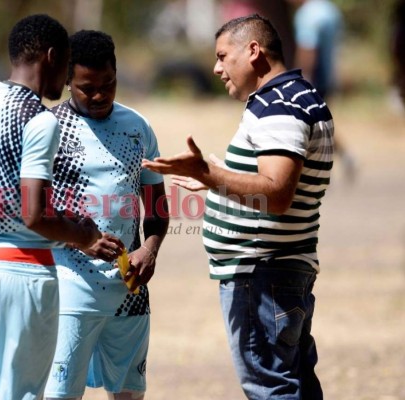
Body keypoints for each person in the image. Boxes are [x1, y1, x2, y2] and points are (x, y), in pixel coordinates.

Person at [143, 14, 333, 399]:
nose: (215, 68)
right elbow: (273, 183)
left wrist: (211, 174)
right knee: (293, 383)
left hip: (263, 274)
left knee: (271, 388)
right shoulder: (296, 96)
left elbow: (277, 193)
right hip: (279, 271)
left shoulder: (278, 106)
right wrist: (216, 178)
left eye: (222, 56)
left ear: (253, 51)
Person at [0, 14, 101, 400]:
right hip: (23, 270)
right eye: (67, 65)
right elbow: (35, 215)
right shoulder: (39, 119)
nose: (67, 79)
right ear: (52, 57)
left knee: (1, 392)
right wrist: (81, 234)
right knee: (26, 393)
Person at [43, 30, 169, 400]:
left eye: (108, 84)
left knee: (129, 394)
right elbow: (31, 212)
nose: (99, 95)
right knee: (60, 394)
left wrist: (151, 248)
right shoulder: (47, 129)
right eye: (87, 87)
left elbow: (157, 204)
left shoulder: (138, 128)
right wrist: (79, 239)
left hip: (129, 291)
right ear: (67, 80)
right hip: (70, 291)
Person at [287, 0, 356, 181]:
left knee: (311, 125)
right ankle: (342, 159)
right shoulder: (328, 9)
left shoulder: (307, 15)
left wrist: (301, 79)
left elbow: (308, 49)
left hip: (315, 79)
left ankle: (320, 168)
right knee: (318, 124)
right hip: (329, 77)